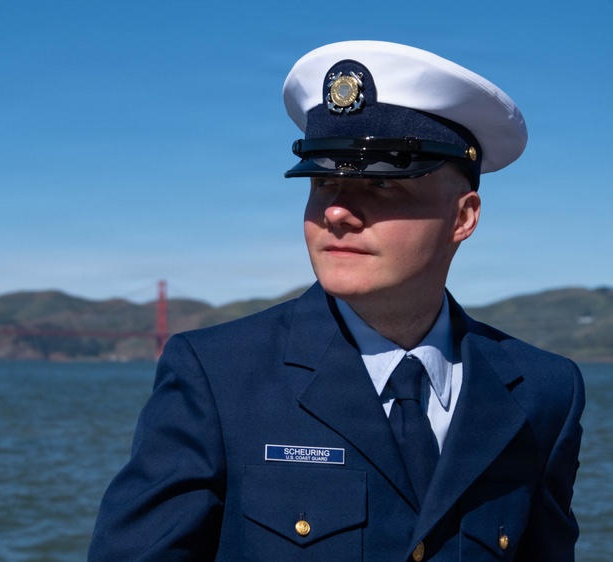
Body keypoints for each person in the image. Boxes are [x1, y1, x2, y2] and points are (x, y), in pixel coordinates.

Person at [88, 40, 584, 561]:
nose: (337, 212)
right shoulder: (216, 375)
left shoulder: (546, 392)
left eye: (383, 185)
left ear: (463, 217)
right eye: (324, 181)